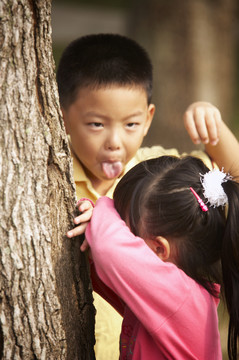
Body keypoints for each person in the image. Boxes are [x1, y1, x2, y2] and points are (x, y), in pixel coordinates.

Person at [56, 33, 239, 359]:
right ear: (61, 116)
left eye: (131, 124)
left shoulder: (155, 173)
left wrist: (214, 127)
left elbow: (230, 183)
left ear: (148, 119)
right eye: (97, 123)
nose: (114, 142)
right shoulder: (51, 175)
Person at [83, 155, 239, 360]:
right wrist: (88, 219)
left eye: (126, 231)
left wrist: (101, 207)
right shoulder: (181, 295)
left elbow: (106, 247)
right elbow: (104, 267)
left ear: (159, 249)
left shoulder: (180, 297)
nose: (117, 230)